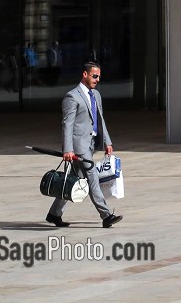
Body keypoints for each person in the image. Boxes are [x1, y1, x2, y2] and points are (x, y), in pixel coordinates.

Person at [46, 60, 123, 230]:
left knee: (73, 181)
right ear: (85, 74)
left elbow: (100, 119)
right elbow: (67, 124)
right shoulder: (72, 96)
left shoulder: (96, 95)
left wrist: (107, 141)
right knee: (92, 178)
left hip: (92, 144)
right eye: (95, 76)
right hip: (79, 147)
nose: (97, 79)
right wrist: (67, 149)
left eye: (99, 77)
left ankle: (54, 213)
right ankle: (106, 215)